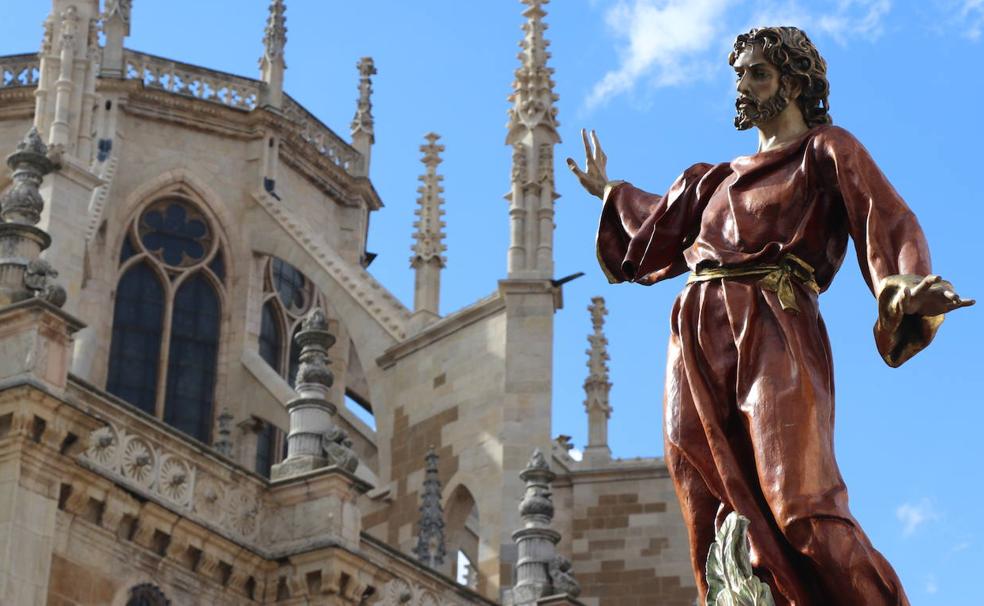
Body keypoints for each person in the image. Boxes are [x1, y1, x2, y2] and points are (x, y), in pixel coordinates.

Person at [567, 26, 973, 606]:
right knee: (707, 510)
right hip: (695, 335)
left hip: (773, 325)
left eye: (757, 72)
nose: (744, 84)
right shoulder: (713, 179)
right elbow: (654, 224)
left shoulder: (825, 149)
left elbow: (886, 219)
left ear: (795, 82)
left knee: (800, 504)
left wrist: (902, 288)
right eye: (740, 73)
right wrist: (608, 191)